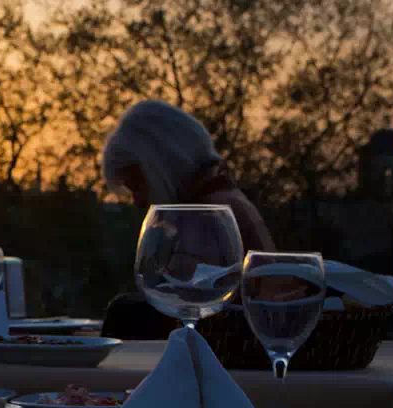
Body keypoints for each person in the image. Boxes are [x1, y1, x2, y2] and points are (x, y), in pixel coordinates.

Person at [98, 100, 275, 339]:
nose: (138, 201)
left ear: (161, 165)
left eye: (138, 185)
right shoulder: (227, 200)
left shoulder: (206, 216)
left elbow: (192, 313)